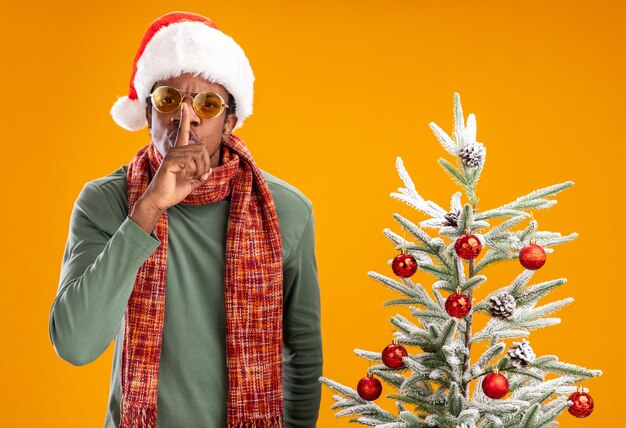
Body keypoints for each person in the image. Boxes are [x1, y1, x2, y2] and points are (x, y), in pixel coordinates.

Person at [48, 11, 322, 428]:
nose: (186, 118)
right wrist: (148, 209)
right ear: (149, 111)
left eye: (207, 104)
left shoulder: (285, 210)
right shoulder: (104, 201)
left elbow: (302, 350)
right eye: (169, 100)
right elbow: (75, 344)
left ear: (230, 121)